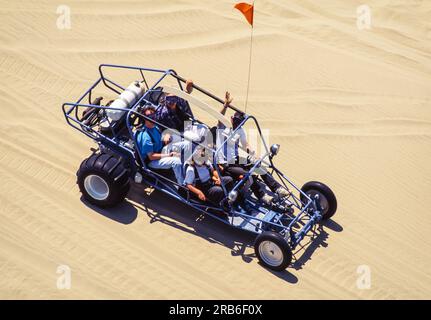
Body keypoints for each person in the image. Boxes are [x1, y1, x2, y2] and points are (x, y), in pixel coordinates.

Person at [216, 92, 290, 206]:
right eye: (236, 120)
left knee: (258, 165)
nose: (238, 123)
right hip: (225, 163)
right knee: (248, 174)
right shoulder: (223, 128)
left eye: (241, 122)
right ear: (231, 119)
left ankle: (278, 189)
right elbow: (219, 117)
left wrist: (254, 155)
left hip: (236, 160)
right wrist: (225, 105)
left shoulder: (240, 131)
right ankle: (262, 196)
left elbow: (246, 145)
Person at [136, 104, 191, 185]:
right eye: (149, 116)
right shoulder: (145, 136)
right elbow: (151, 157)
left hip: (161, 151)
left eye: (153, 114)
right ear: (144, 118)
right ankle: (183, 185)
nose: (152, 117)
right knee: (176, 161)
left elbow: (161, 138)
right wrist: (169, 155)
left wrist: (166, 135)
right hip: (152, 161)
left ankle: (188, 169)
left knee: (186, 144)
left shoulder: (155, 126)